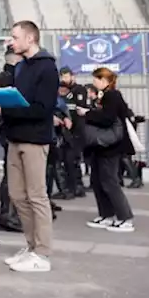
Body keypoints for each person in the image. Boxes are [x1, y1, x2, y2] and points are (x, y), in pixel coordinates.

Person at [0, 20, 59, 274]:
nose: (11, 41)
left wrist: (6, 108)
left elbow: (42, 109)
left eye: (15, 37)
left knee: (37, 196)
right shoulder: (21, 68)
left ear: (30, 39)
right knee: (17, 195)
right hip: (15, 137)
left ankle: (42, 253)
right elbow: (18, 102)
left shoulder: (47, 68)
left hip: (35, 140)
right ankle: (31, 247)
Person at [81, 67, 136, 232]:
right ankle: (106, 215)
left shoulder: (112, 95)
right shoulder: (102, 95)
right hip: (100, 145)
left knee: (110, 181)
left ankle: (125, 218)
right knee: (97, 181)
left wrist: (87, 113)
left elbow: (108, 118)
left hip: (110, 145)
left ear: (104, 80)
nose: (93, 82)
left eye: (96, 79)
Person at [0, 47, 25, 234]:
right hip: (11, 129)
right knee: (12, 175)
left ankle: (12, 214)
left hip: (13, 128)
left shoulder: (7, 76)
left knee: (16, 175)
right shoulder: (7, 77)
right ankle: (8, 215)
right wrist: (6, 114)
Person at [57, 68, 88, 199]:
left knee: (72, 160)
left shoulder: (78, 90)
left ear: (72, 76)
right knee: (66, 161)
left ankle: (76, 187)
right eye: (62, 76)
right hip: (64, 132)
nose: (64, 78)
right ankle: (71, 187)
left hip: (76, 131)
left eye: (66, 76)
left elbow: (79, 110)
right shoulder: (59, 95)